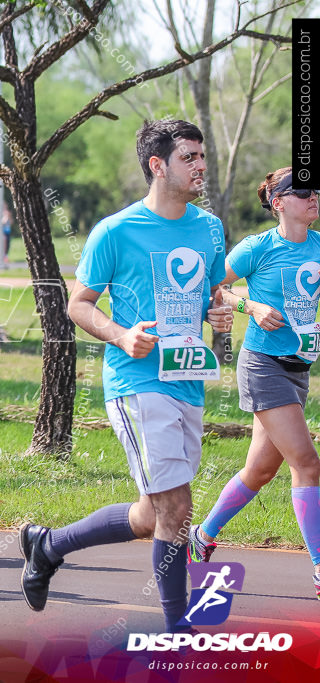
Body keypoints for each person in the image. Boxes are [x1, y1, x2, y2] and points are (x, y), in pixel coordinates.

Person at [20, 119, 233, 632]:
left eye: (202, 156)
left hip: (186, 378)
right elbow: (79, 304)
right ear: (158, 166)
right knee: (178, 509)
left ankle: (47, 546)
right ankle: (178, 632)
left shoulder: (208, 227)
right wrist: (120, 335)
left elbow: (207, 294)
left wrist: (217, 311)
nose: (201, 166)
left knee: (151, 515)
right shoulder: (115, 231)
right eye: (189, 157)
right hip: (136, 383)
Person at [187, 167, 320, 599]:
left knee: (260, 471)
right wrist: (252, 305)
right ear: (278, 202)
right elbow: (214, 287)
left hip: (299, 368)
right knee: (307, 463)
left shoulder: (318, 247)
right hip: (263, 364)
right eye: (303, 191)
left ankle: (202, 535)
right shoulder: (258, 247)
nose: (313, 196)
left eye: (315, 190)